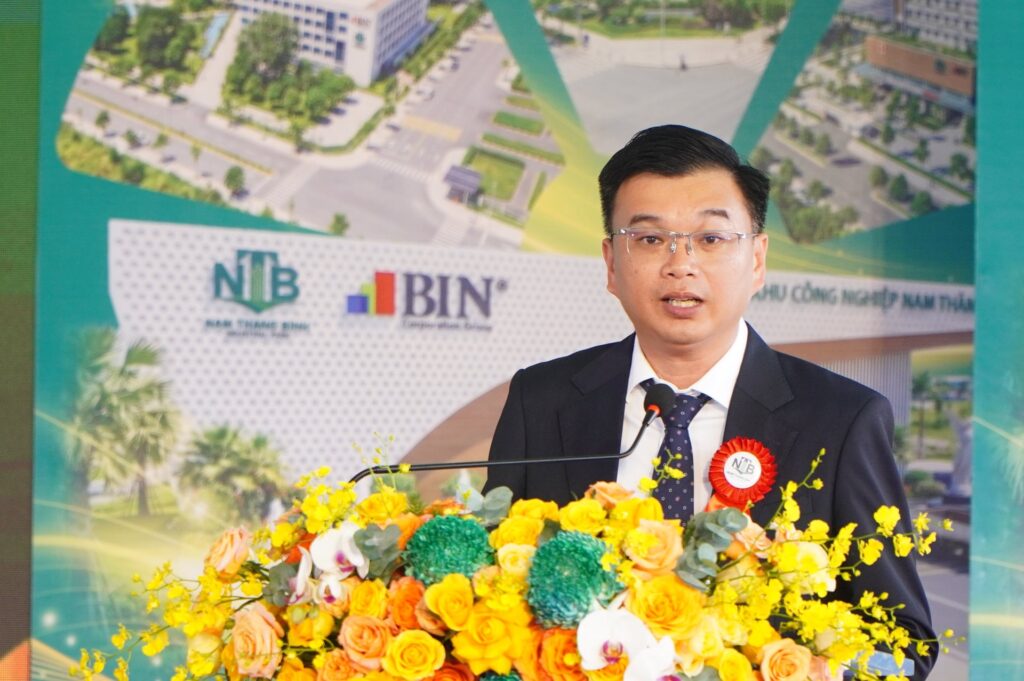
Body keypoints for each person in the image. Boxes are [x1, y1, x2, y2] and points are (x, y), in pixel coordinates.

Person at [485, 125, 935, 678]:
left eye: (711, 238)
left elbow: (904, 642)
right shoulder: (541, 400)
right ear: (611, 263)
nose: (681, 263)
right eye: (650, 239)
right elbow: (493, 595)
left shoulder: (841, 419)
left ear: (758, 259)